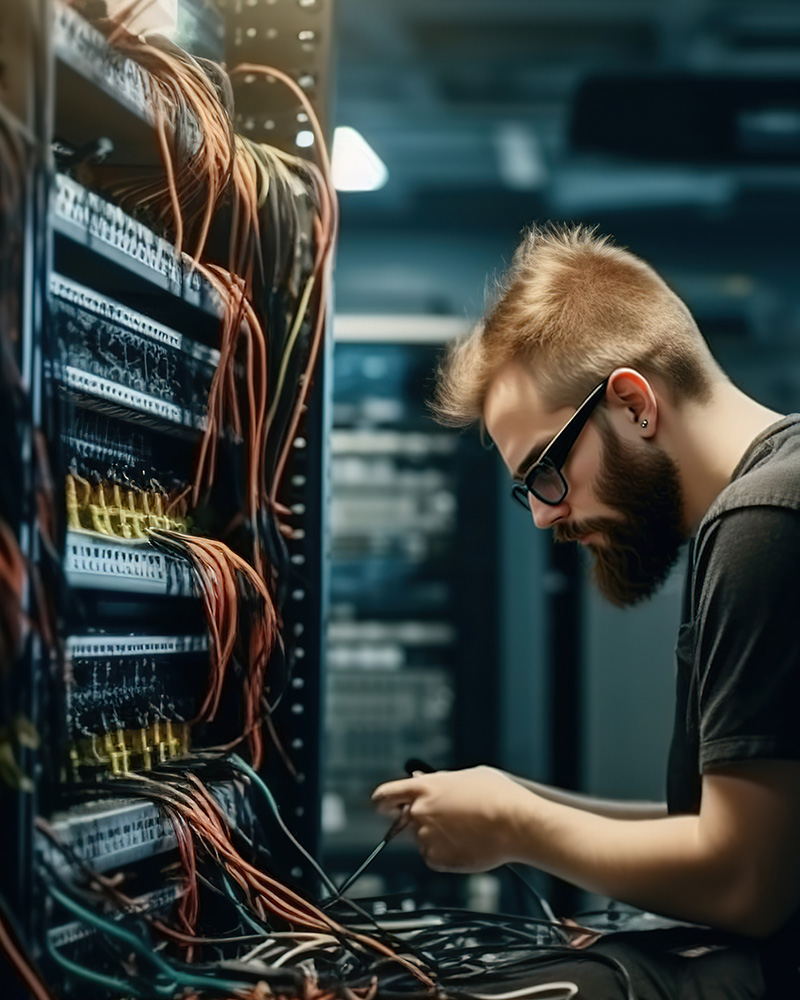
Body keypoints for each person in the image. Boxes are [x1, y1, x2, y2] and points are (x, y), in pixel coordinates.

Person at [371, 224, 800, 997]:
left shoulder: (763, 523)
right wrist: (516, 802)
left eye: (546, 468)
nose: (544, 516)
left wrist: (516, 827)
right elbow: (732, 829)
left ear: (633, 403)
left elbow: (747, 882)